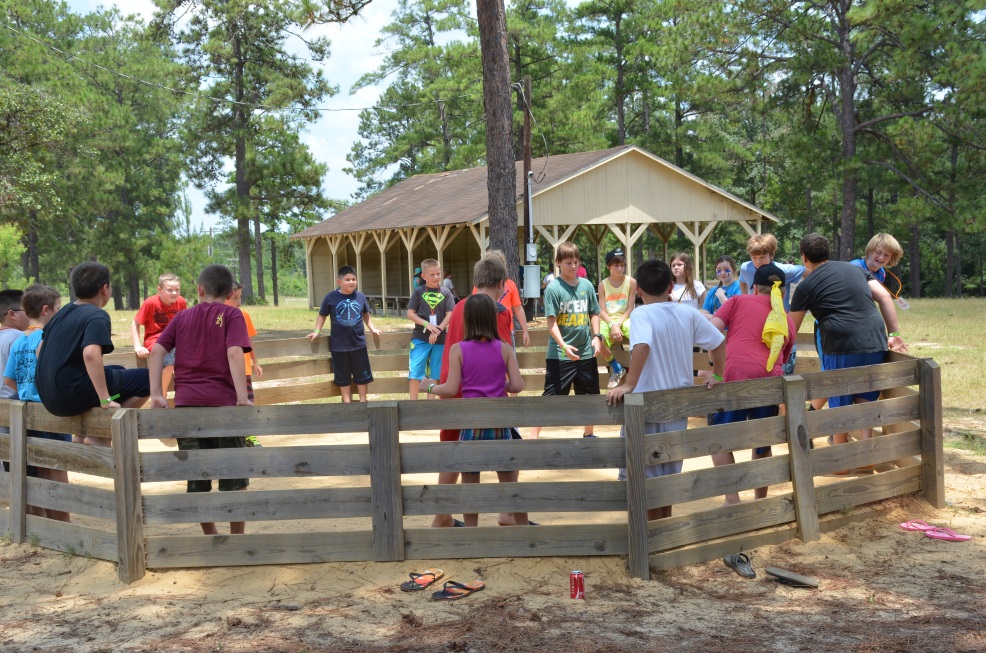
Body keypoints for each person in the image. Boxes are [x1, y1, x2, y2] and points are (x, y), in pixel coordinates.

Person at [605, 260, 725, 521]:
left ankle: (647, 538)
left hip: (647, 408)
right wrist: (717, 374)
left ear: (638, 291)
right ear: (670, 285)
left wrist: (629, 384)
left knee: (641, 476)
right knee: (668, 475)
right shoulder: (687, 313)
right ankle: (662, 532)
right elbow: (718, 341)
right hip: (678, 407)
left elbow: (642, 346)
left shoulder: (641, 314)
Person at [149, 264, 252, 535]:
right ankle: (236, 537)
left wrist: (157, 394)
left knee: (197, 474)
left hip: (187, 407)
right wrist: (242, 397)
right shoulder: (232, 314)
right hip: (223, 405)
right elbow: (234, 352)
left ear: (199, 289)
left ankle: (211, 536)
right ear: (231, 292)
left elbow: (156, 352)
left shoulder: (181, 317)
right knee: (234, 474)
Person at [789, 234, 908, 451]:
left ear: (803, 258)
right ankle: (866, 454)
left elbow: (791, 330)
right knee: (866, 395)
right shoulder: (856, 269)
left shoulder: (806, 286)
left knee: (840, 398)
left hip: (841, 343)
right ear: (828, 253)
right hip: (874, 339)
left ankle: (842, 461)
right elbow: (883, 296)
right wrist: (894, 333)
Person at [430, 254, 519, 528]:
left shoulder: (458, 307)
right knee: (510, 450)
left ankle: (443, 515)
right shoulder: (498, 310)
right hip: (482, 394)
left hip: (451, 385)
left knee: (453, 452)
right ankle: (507, 511)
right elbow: (500, 352)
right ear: (502, 284)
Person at [706, 263, 796, 504]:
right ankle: (760, 500)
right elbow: (783, 359)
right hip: (768, 384)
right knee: (762, 444)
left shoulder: (737, 301)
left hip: (733, 378)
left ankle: (732, 500)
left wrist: (715, 370)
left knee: (718, 440)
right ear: (783, 292)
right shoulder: (786, 320)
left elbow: (711, 333)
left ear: (755, 287)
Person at [36, 262, 150, 447]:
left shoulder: (63, 312)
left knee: (118, 369)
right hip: (70, 395)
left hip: (49, 397)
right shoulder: (96, 315)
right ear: (105, 289)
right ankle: (103, 432)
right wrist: (105, 398)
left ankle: (83, 434)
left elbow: (39, 349)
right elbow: (90, 354)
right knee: (149, 379)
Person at [3, 284, 70, 521]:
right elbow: (51, 371)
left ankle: (48, 522)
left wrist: (26, 388)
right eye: (59, 309)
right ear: (46, 310)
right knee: (58, 467)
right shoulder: (47, 337)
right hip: (48, 410)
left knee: (41, 467)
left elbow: (9, 379)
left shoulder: (21, 340)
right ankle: (63, 522)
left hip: (28, 410)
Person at [530, 241, 601, 439]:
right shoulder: (554, 289)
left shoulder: (586, 285)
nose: (573, 266)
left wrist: (596, 336)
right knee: (551, 397)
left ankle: (589, 433)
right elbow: (551, 323)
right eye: (568, 262)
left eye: (576, 262)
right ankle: (533, 435)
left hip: (585, 352)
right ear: (558, 263)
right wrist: (563, 346)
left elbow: (594, 312)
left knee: (589, 396)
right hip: (560, 355)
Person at [307, 266, 382, 403]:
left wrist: (373, 328)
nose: (351, 282)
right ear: (339, 282)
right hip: (339, 346)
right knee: (343, 376)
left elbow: (366, 314)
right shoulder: (331, 297)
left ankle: (363, 401)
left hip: (358, 344)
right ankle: (347, 403)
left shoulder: (360, 296)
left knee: (362, 374)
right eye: (347, 279)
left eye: (353, 279)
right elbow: (322, 315)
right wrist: (317, 331)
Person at [406, 259, 456, 400]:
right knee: (415, 372)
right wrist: (426, 325)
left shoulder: (446, 293)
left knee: (436, 373)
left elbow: (450, 314)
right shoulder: (418, 292)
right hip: (420, 339)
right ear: (424, 276)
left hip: (440, 339)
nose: (436, 277)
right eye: (432, 274)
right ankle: (413, 405)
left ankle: (430, 405)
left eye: (438, 274)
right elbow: (410, 313)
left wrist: (438, 329)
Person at [131, 273, 186, 394]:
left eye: (177, 290)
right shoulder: (150, 303)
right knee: (169, 365)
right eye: (170, 290)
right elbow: (135, 323)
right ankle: (162, 396)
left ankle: (183, 396)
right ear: (159, 290)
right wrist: (137, 345)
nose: (174, 293)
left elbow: (184, 324)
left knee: (185, 364)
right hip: (156, 339)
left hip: (175, 339)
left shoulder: (181, 302)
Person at [226, 282, 264, 447]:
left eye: (240, 297)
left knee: (247, 402)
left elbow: (249, 339)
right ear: (225, 296)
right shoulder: (220, 318)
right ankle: (233, 436)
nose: (239, 301)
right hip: (227, 371)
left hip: (245, 369)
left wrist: (255, 362)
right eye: (235, 298)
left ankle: (249, 435)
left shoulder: (243, 315)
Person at [472, 251, 531, 348]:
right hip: (485, 330)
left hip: (507, 329)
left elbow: (518, 308)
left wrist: (525, 331)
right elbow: (475, 308)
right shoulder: (479, 286)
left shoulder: (510, 284)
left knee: (508, 358)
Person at [597, 248, 636, 389]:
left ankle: (637, 369)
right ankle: (617, 367)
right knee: (598, 340)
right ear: (608, 266)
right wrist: (612, 325)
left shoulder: (631, 282)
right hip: (607, 320)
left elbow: (630, 308)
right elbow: (601, 310)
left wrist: (618, 324)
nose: (620, 268)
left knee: (637, 335)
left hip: (624, 319)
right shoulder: (603, 285)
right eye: (616, 265)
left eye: (622, 265)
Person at [737, 234, 805, 311]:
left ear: (771, 254)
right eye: (754, 257)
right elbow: (742, 280)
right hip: (755, 314)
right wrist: (745, 298)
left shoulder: (783, 270)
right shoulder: (746, 268)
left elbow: (809, 271)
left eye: (762, 257)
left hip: (778, 318)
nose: (758, 262)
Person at [852, 233, 905, 302]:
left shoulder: (881, 273)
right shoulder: (855, 266)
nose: (881, 257)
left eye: (887, 255)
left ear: (891, 258)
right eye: (878, 252)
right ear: (870, 251)